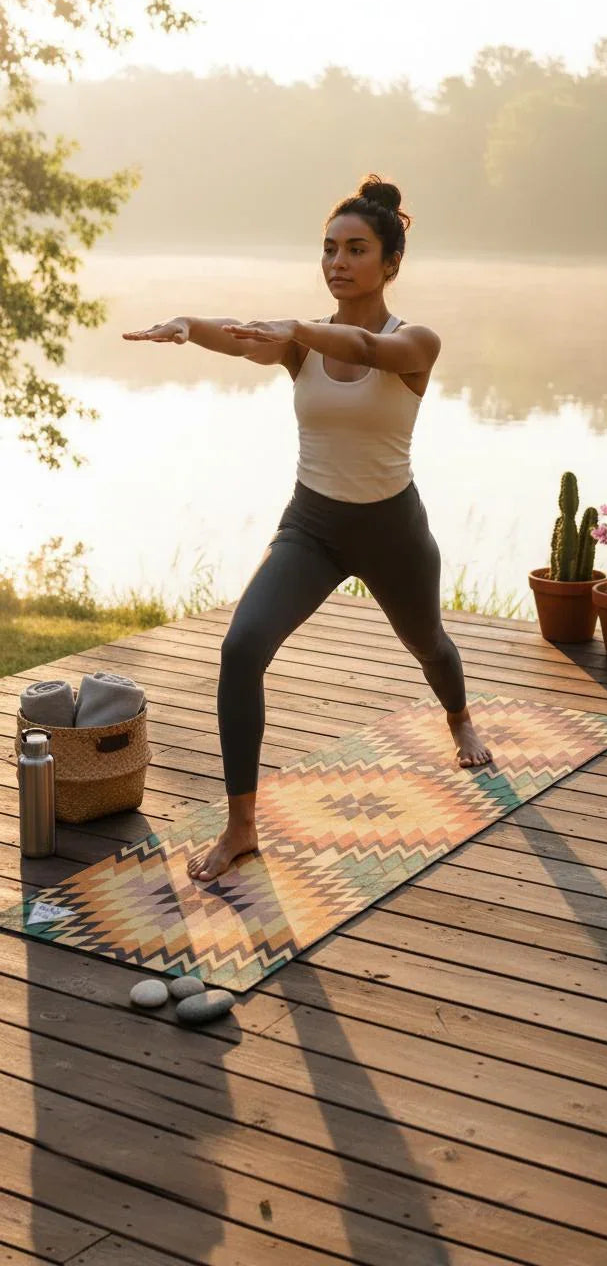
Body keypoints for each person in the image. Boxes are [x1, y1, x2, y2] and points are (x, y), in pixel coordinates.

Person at [123, 173, 493, 882]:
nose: (337, 261)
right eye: (328, 248)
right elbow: (238, 339)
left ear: (390, 263)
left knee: (430, 644)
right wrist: (186, 325)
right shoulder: (300, 341)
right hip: (312, 528)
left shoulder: (416, 341)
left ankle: (458, 718)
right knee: (241, 647)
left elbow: (367, 351)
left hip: (393, 530)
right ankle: (241, 827)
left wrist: (295, 330)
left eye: (356, 249)